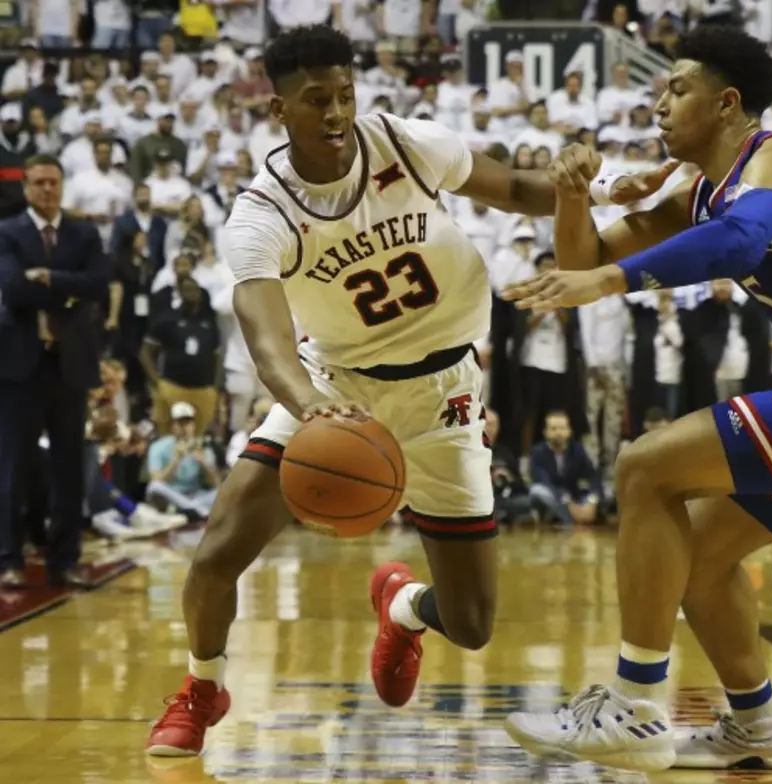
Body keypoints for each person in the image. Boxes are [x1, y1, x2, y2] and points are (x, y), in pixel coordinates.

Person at [144, 23, 676, 758]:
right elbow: (267, 337)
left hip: (446, 393)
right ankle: (202, 688)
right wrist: (307, 405)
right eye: (315, 99)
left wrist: (584, 182)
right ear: (279, 111)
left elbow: (520, 189)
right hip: (336, 389)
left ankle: (401, 609)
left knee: (472, 621)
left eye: (345, 95)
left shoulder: (403, 141)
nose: (335, 113)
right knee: (216, 553)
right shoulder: (261, 213)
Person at [501, 25, 772, 775]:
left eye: (677, 89)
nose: (660, 102)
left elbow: (739, 244)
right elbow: (583, 259)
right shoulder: (701, 193)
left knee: (644, 468)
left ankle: (635, 705)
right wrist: (574, 194)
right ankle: (760, 727)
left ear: (727, 101)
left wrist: (608, 283)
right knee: (701, 563)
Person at [0, 154, 110, 589]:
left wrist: (47, 277)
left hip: (71, 363)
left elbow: (99, 284)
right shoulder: (7, 232)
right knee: (12, 466)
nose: (47, 189)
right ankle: (8, 559)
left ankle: (64, 560)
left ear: (63, 186)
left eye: (53, 182)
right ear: (26, 187)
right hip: (19, 364)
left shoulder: (84, 232)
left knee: (69, 467)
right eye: (39, 183)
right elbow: (12, 287)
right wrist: (68, 288)